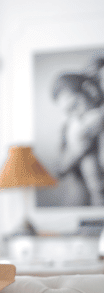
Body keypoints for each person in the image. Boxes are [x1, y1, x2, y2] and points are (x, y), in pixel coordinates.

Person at [52, 73, 104, 206]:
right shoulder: (71, 126)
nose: (75, 114)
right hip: (89, 199)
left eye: (75, 105)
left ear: (89, 90)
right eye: (68, 111)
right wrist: (77, 148)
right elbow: (59, 169)